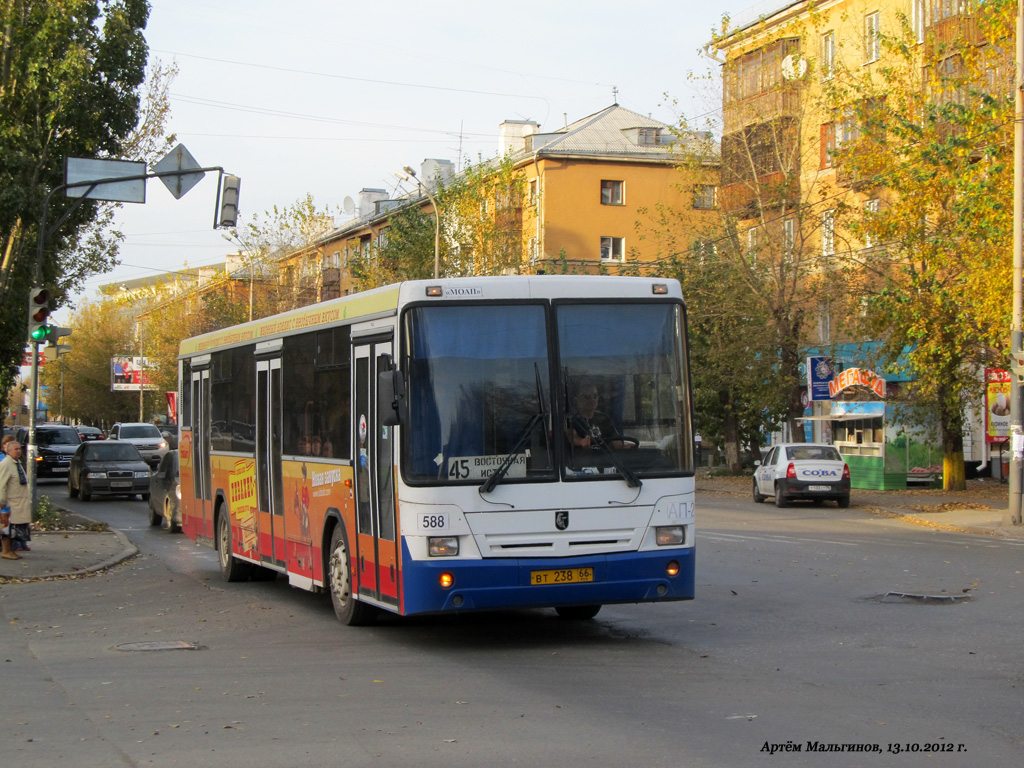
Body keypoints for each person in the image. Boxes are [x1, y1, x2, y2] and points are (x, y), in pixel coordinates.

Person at [566, 383, 633, 450]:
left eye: (595, 396)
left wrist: (624, 447)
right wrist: (581, 441)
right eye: (587, 397)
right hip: (580, 459)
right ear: (576, 399)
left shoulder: (604, 418)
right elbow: (571, 436)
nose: (592, 400)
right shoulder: (571, 418)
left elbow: (616, 442)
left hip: (605, 459)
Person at [0, 440, 31, 559]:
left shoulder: (16, 463)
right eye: (16, 449)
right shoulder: (6, 464)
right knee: (7, 528)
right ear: (9, 451)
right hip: (9, 503)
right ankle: (6, 551)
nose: (19, 451)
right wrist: (2, 502)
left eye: (19, 449)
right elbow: (1, 484)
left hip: (18, 502)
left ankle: (10, 550)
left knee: (14, 529)